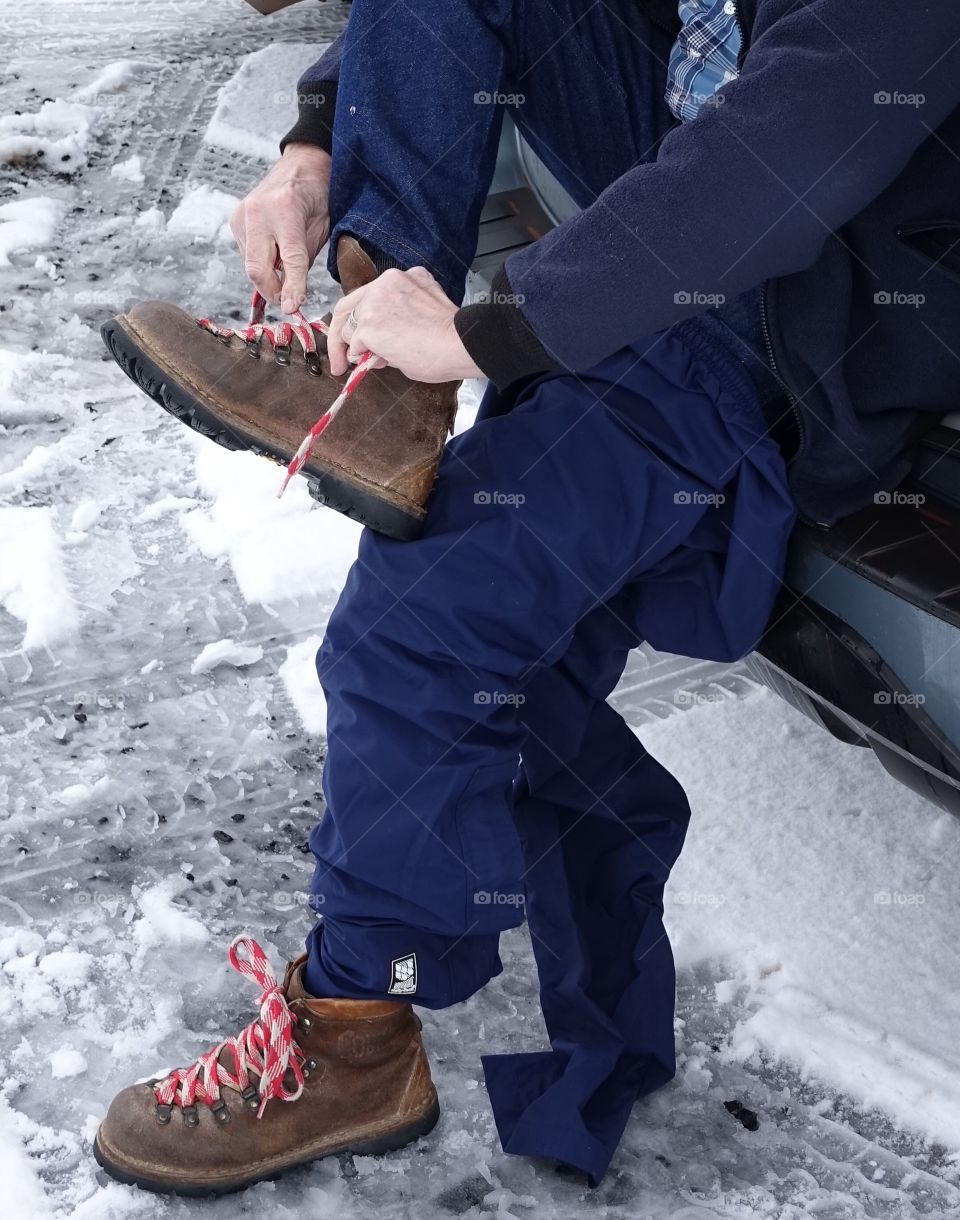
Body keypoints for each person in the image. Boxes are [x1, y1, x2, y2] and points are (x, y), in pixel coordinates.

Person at [94, 0, 960, 1195]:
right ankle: (376, 365)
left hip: (792, 304)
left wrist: (494, 330)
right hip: (685, 195)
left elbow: (802, 136)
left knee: (427, 622)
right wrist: (319, 144)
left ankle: (357, 1033)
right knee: (500, 641)